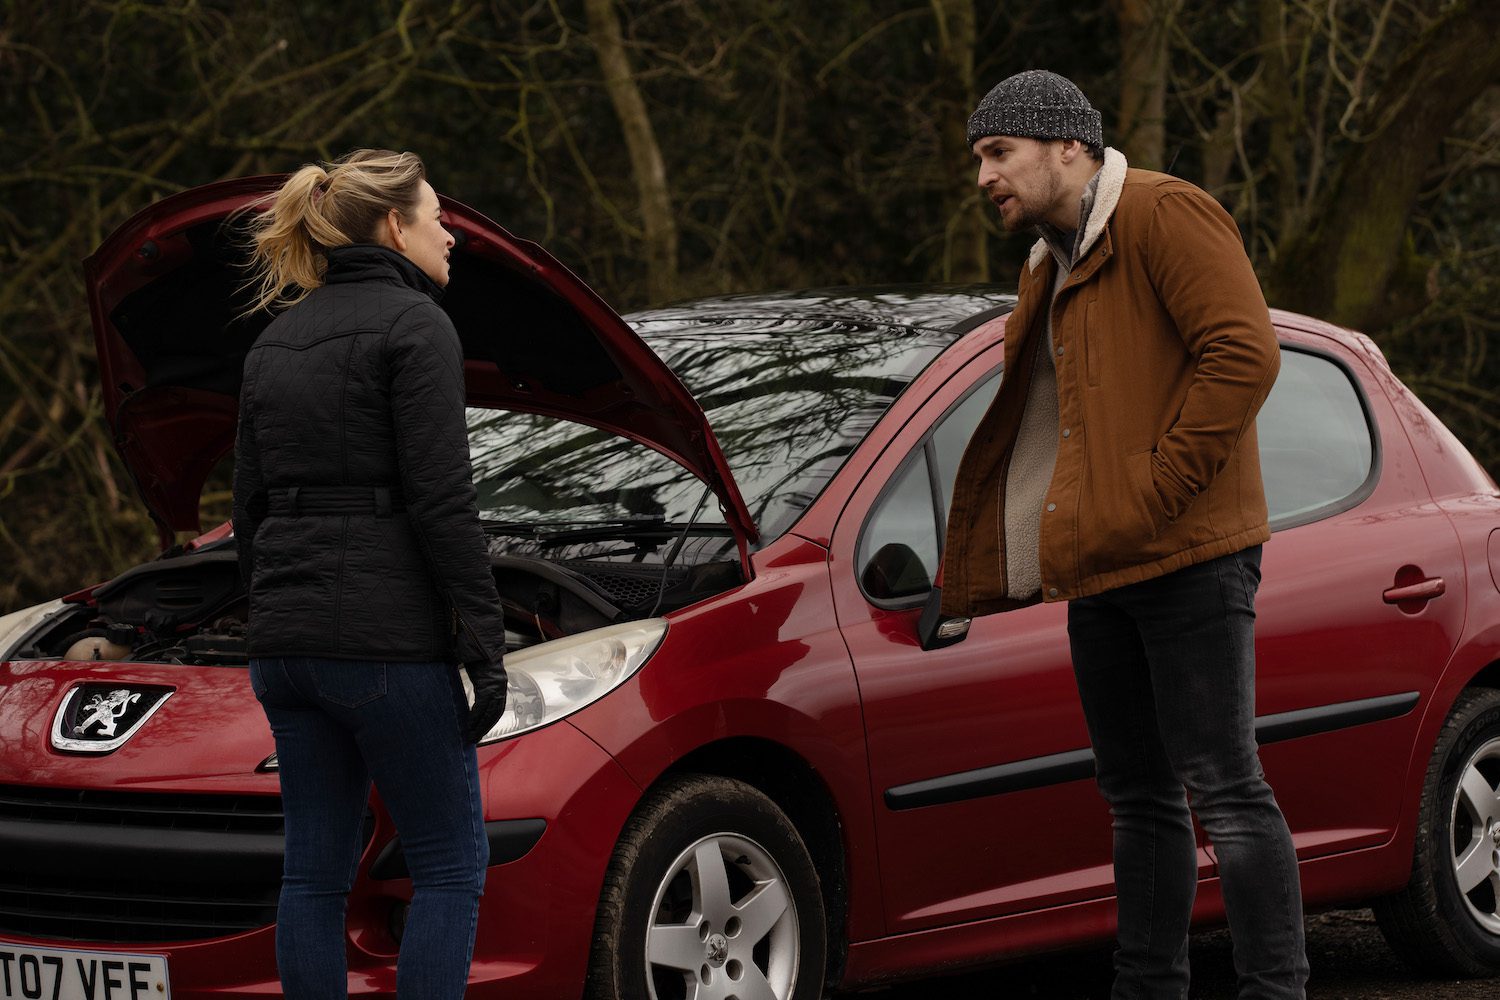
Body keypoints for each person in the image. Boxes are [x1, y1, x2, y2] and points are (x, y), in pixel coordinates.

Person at [940, 71, 1310, 998]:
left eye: (998, 153)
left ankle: (1279, 988)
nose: (983, 175)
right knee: (1138, 800)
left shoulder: (1164, 214)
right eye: (979, 158)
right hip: (1100, 562)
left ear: (1067, 146)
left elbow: (1244, 353)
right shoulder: (1047, 261)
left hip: (1190, 554)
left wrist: (1156, 491)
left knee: (1225, 789)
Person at [231, 149, 510, 1000]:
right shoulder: (417, 325)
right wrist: (484, 642)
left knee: (313, 875)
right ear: (394, 226)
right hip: (387, 647)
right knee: (449, 867)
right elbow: (440, 501)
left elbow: (250, 512)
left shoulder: (275, 338)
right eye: (437, 216)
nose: (452, 233)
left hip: (285, 647)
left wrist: (280, 610)